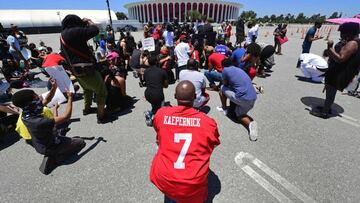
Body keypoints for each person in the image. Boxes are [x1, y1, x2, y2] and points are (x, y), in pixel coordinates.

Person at [150, 80, 220, 203]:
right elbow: (212, 144)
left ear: (175, 96)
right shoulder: (208, 122)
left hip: (165, 177)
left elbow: (158, 132)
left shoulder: (161, 114)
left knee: (172, 193)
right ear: (195, 97)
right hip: (193, 181)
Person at [11, 88, 86, 175]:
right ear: (30, 102)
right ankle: (56, 158)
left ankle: (55, 152)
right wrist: (70, 98)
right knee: (81, 142)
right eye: (35, 95)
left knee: (67, 137)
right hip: (50, 145)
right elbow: (66, 117)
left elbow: (47, 99)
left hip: (42, 143)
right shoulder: (37, 121)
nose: (38, 96)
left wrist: (54, 87)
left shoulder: (28, 112)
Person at [60, 14, 109, 124]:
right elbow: (95, 30)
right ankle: (101, 116)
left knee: (87, 90)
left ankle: (87, 109)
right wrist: (89, 22)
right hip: (87, 69)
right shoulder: (74, 31)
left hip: (76, 71)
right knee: (102, 92)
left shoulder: (63, 35)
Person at [311, 22, 360, 119]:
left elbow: (340, 58)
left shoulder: (352, 43)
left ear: (349, 32)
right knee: (331, 91)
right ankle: (326, 107)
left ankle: (324, 112)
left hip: (339, 73)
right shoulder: (355, 41)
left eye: (342, 32)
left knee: (330, 91)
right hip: (343, 71)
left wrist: (330, 46)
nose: (341, 35)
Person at [217, 58, 258, 141]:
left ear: (223, 66)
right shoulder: (238, 69)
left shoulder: (225, 70)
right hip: (253, 97)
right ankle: (251, 124)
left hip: (243, 99)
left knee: (222, 88)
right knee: (239, 114)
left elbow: (225, 83)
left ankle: (224, 108)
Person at [144, 55, 168, 126]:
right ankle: (152, 116)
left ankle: (151, 113)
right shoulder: (162, 71)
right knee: (160, 109)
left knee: (154, 105)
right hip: (158, 95)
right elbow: (166, 86)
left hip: (148, 94)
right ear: (157, 62)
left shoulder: (146, 71)